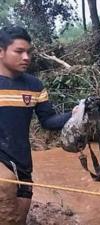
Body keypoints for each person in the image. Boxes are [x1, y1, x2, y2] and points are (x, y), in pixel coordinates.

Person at [0, 26, 73, 225]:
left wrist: (77, 113)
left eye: (28, 52)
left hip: (22, 161)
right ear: (1, 51)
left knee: (17, 219)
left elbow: (48, 121)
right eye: (19, 51)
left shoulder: (35, 86)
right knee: (4, 186)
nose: (26, 57)